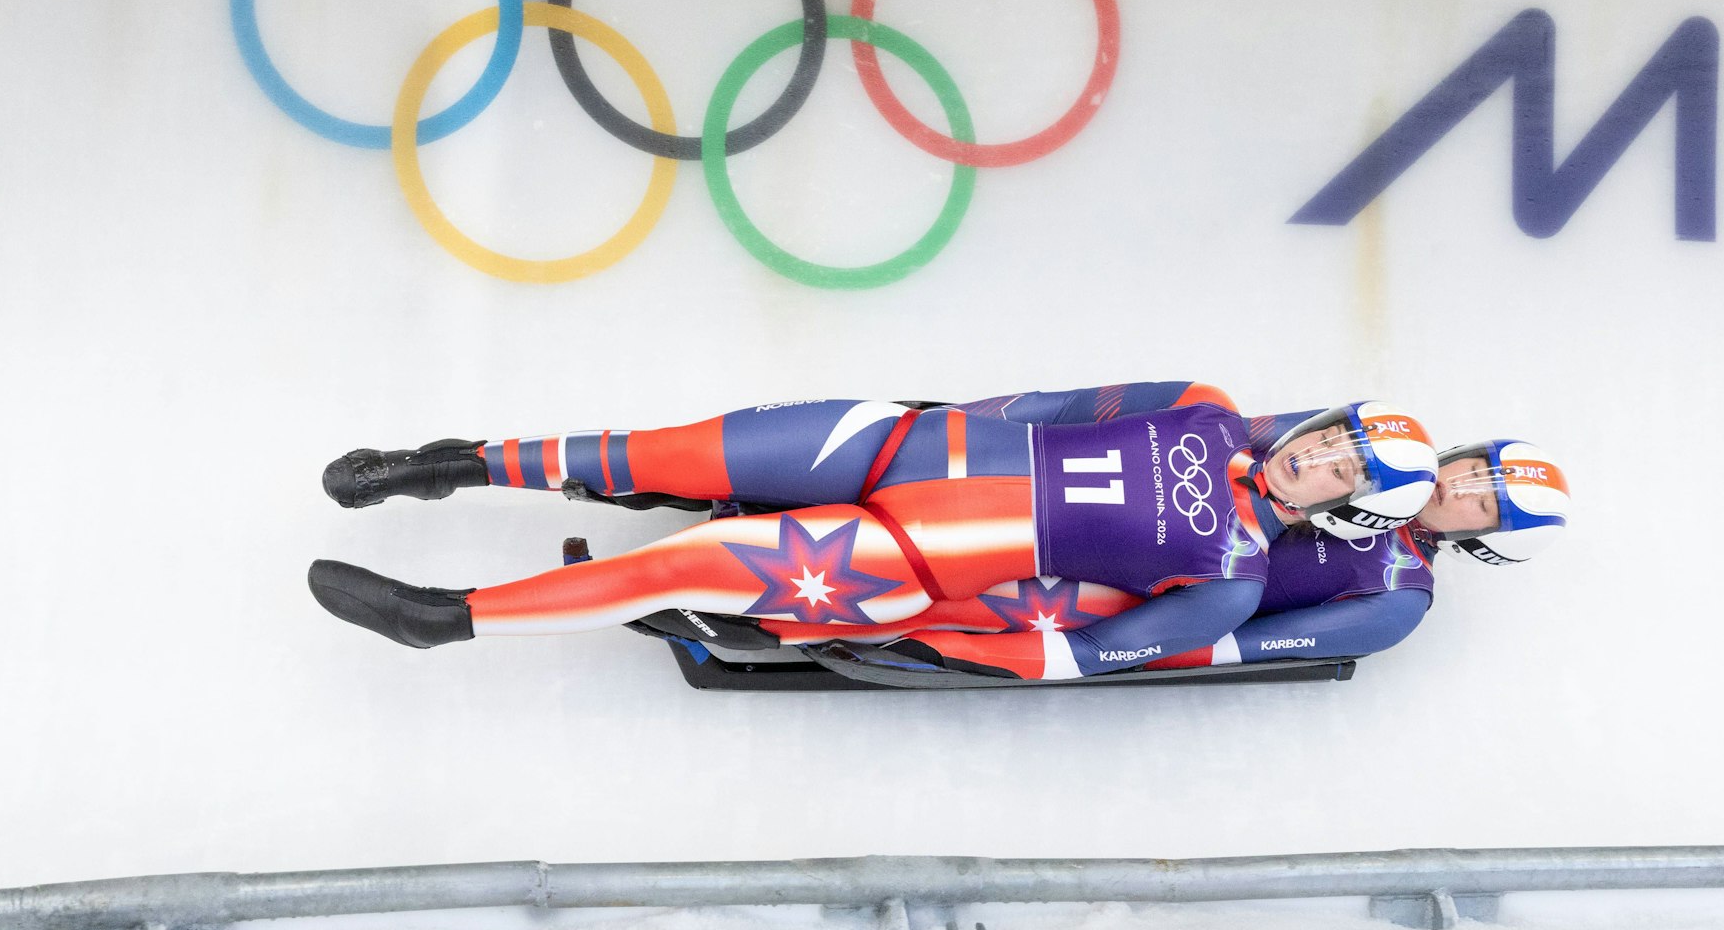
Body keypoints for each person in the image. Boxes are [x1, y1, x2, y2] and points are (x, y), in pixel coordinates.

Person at [307, 383, 1438, 679]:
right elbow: (1053, 403)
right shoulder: (1204, 404)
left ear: (1344, 505)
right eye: (1331, 435)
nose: (1316, 455)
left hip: (909, 561)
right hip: (900, 447)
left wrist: (937, 642)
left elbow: (1078, 653)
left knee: (679, 560)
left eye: (1339, 468)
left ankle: (443, 619)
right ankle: (445, 465)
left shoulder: (1232, 580)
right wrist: (934, 415)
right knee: (665, 452)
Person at [846, 435, 1572, 679]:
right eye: (1475, 466)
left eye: (1481, 501)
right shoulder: (1364, 453)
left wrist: (1108, 647)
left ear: (1485, 542)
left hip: (1138, 593)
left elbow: (1226, 645)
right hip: (1107, 505)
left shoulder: (1398, 595)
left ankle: (827, 619)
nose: (1459, 482)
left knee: (960, 576)